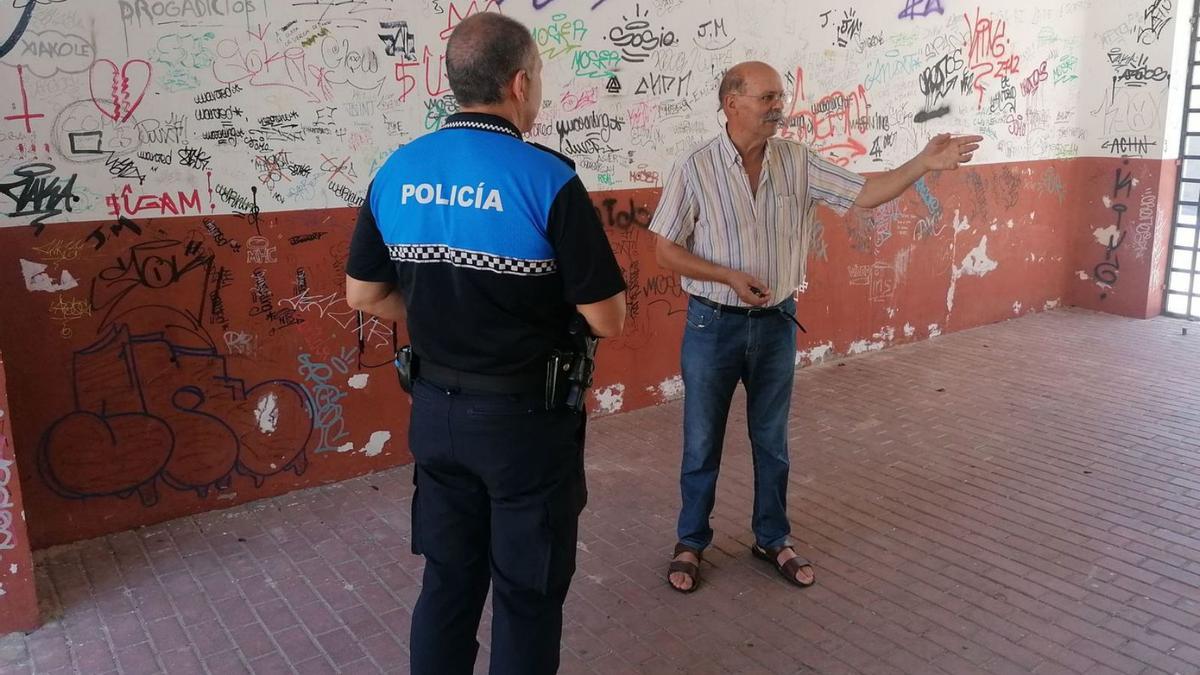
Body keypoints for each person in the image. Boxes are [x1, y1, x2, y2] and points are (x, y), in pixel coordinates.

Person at [344, 13, 626, 675]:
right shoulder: (546, 179)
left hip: (434, 416)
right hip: (524, 427)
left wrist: (445, 311)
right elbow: (608, 316)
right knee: (526, 593)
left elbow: (363, 295)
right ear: (520, 83)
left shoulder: (398, 169)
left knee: (448, 582)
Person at [650, 61, 982, 593]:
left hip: (776, 324)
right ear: (732, 103)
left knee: (773, 441)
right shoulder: (695, 166)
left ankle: (771, 536)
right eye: (766, 98)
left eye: (780, 97)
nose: (778, 107)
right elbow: (665, 249)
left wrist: (923, 162)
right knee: (701, 442)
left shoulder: (797, 162)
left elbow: (865, 193)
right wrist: (726, 276)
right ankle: (690, 541)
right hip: (712, 325)